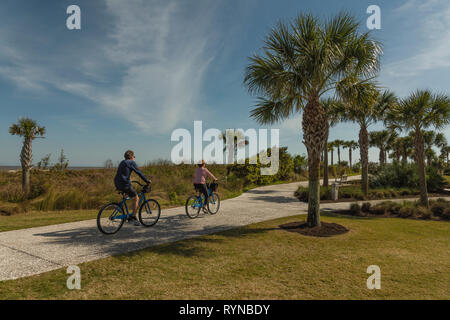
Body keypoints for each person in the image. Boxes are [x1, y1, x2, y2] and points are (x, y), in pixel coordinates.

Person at [114, 150, 151, 225]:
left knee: (126, 195)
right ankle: (133, 218)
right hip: (125, 184)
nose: (134, 158)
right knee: (136, 197)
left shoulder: (122, 162)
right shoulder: (131, 162)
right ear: (131, 156)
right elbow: (139, 172)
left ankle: (119, 207)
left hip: (117, 183)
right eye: (134, 156)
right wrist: (147, 181)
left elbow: (123, 174)